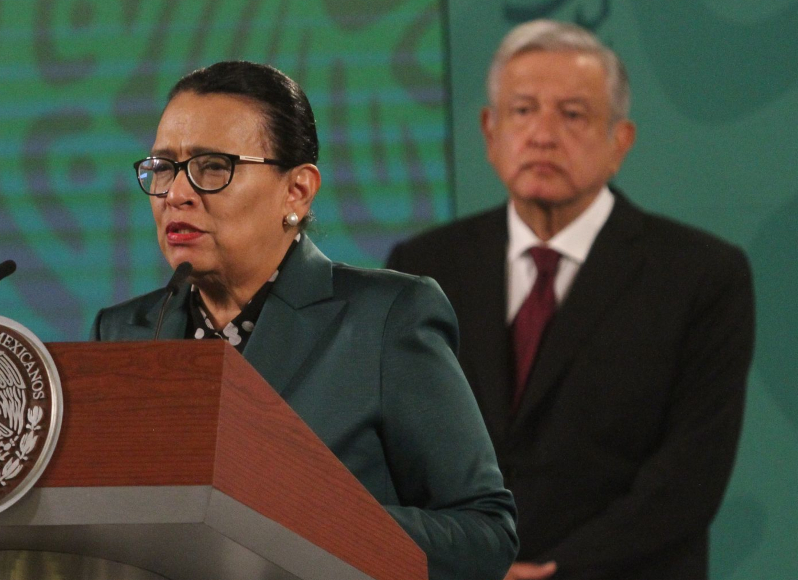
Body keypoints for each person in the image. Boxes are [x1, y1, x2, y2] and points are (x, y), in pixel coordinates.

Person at [91, 60, 518, 579]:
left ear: (297, 191)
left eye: (211, 167)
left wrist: (310, 520)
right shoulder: (122, 334)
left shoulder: (384, 320)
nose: (176, 194)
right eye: (163, 167)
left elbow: (484, 535)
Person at [387, 20, 754, 580]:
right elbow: (395, 450)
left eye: (573, 114)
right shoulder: (423, 267)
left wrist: (559, 573)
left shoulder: (702, 276)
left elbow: (688, 477)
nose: (542, 134)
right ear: (489, 131)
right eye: (523, 110)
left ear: (620, 141)